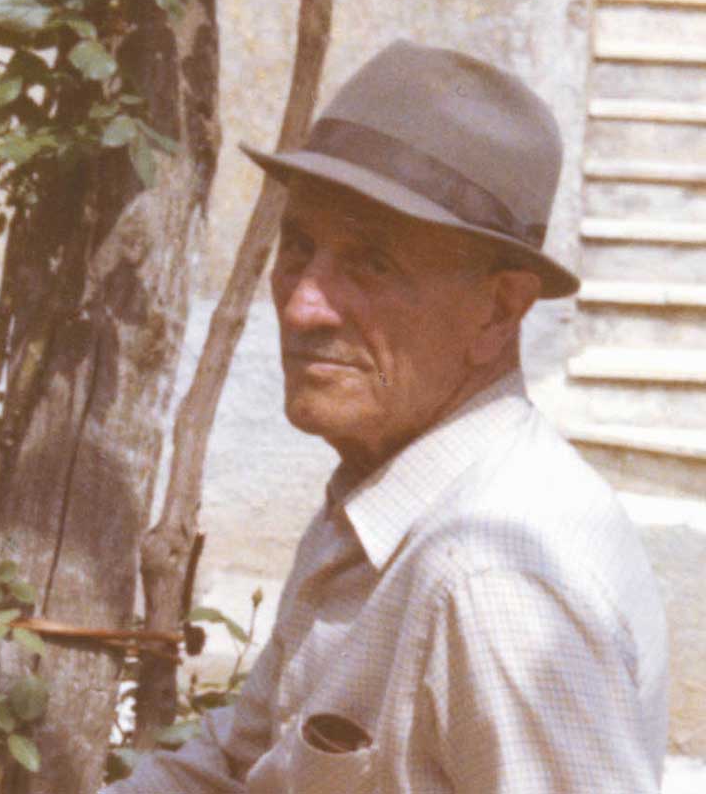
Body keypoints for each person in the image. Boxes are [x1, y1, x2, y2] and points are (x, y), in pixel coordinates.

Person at [103, 39, 668, 793]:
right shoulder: (384, 496)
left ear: (499, 310)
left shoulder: (492, 581)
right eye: (299, 246)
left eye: (373, 263)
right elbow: (237, 766)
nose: (303, 305)